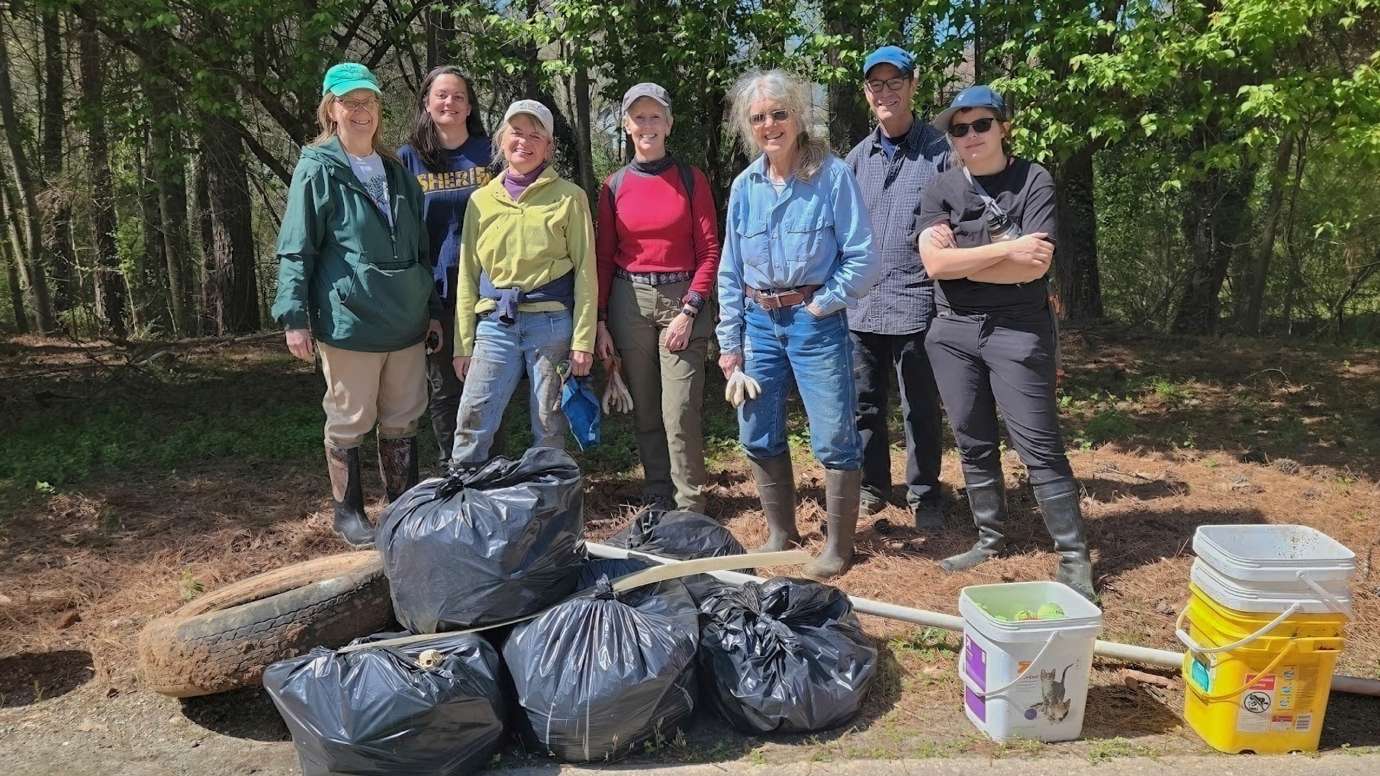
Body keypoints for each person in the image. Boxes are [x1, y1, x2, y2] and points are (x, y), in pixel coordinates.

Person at [914, 85, 1094, 600]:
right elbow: (935, 266)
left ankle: (1074, 555)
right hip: (952, 334)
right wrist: (1008, 248)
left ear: (1002, 127)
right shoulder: (941, 187)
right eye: (958, 128)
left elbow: (1035, 267)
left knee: (1038, 443)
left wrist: (969, 258)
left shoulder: (1033, 179)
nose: (970, 136)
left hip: (1018, 329)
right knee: (972, 438)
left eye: (981, 125)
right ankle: (990, 537)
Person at [717, 69, 880, 580]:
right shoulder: (745, 186)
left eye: (779, 114)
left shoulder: (831, 176)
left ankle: (838, 546)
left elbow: (864, 258)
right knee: (757, 430)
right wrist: (730, 342)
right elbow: (730, 269)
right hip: (757, 323)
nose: (771, 125)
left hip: (816, 324)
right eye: (759, 118)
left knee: (833, 435)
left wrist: (820, 305)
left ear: (798, 116)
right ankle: (781, 533)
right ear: (750, 127)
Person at [272, 63, 442, 548]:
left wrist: (430, 308)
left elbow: (419, 250)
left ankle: (402, 507)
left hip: (405, 320)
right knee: (349, 417)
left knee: (403, 416)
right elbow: (296, 247)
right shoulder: (318, 168)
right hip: (350, 321)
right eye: (350, 102)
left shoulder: (397, 172)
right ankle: (347, 513)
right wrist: (295, 317)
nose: (361, 111)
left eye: (369, 101)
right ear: (332, 108)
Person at [594, 83, 720, 512]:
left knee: (680, 411)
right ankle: (658, 493)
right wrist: (601, 320)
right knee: (647, 410)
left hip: (681, 300)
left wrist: (691, 308)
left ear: (668, 124)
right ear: (626, 126)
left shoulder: (691, 180)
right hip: (630, 301)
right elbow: (604, 258)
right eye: (638, 117)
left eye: (654, 117)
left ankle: (691, 505)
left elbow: (709, 252)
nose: (646, 125)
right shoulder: (613, 187)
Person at [449, 100, 596, 465]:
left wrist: (583, 341)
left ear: (548, 146)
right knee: (474, 416)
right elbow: (467, 274)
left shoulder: (570, 197)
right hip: (495, 325)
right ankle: (464, 499)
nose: (524, 143)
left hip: (551, 325)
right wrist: (462, 343)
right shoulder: (481, 200)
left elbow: (585, 273)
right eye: (516, 133)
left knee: (549, 423)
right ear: (502, 139)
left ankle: (547, 506)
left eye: (536, 136)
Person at [844, 46, 950, 531]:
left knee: (920, 408)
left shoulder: (941, 153)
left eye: (894, 82)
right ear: (867, 94)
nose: (885, 93)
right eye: (876, 85)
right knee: (864, 404)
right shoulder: (854, 161)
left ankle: (925, 494)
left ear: (912, 85)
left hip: (919, 303)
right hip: (862, 307)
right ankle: (872, 486)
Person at [398, 67, 492, 469]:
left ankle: (490, 468)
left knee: (487, 384)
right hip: (433, 291)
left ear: (469, 106)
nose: (449, 102)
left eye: (457, 96)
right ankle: (451, 471)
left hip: (487, 287)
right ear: (427, 103)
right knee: (444, 388)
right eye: (441, 95)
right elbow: (398, 227)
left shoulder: (491, 153)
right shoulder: (407, 158)